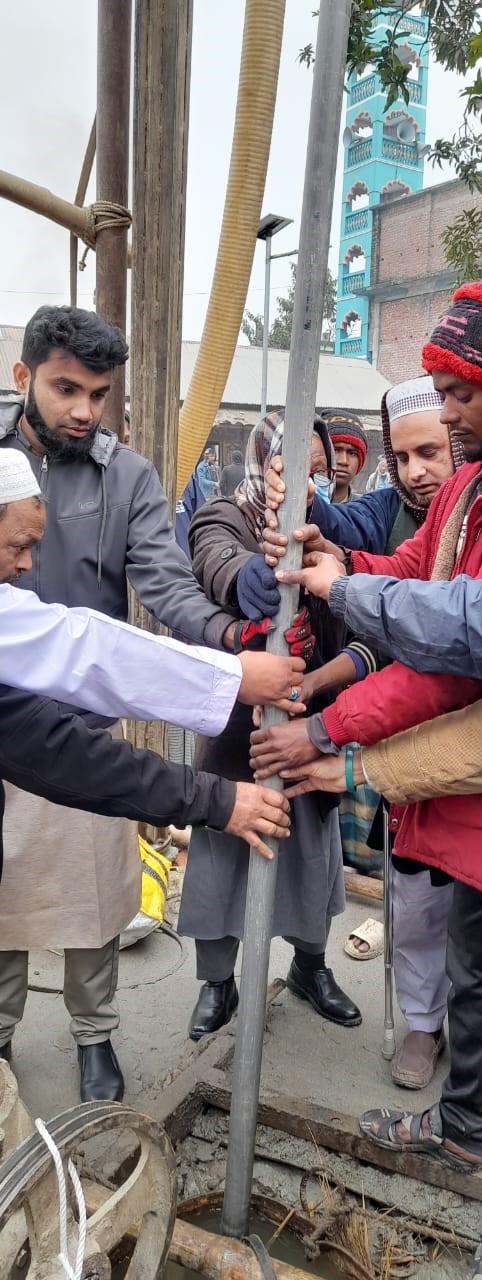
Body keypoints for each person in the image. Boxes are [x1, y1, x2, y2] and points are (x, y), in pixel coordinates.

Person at [251, 246, 482, 1280]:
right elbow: (413, 566)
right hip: (471, 798)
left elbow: (458, 661)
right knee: (474, 985)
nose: (443, 410)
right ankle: (461, 1127)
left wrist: (330, 727)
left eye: (456, 391)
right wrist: (338, 565)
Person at [0, 304, 289, 1105]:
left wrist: (231, 630)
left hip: (84, 713)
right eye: (66, 388)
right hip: (14, 702)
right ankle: (1, 1034)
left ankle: (94, 1034)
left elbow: (163, 589)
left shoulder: (122, 474)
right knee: (4, 897)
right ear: (24, 377)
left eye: (99, 393)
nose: (84, 410)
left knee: (93, 893)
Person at [270, 377, 463, 1090]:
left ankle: (473, 1037)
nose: (418, 469)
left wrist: (325, 716)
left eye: (432, 452)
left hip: (477, 727)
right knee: (412, 886)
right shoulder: (384, 515)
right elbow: (355, 560)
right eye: (404, 455)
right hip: (397, 719)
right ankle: (421, 1023)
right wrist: (301, 498)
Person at [180, 412, 361, 1042]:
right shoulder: (225, 516)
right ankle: (217, 982)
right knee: (222, 858)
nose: (303, 481)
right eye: (289, 467)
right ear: (264, 463)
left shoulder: (327, 532)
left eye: (314, 468)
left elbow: (353, 614)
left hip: (311, 726)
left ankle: (310, 967)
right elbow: (214, 560)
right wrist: (247, 577)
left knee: (312, 855)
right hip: (238, 736)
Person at [322, 410, 368, 503]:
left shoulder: (366, 512)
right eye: (335, 450)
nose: (343, 461)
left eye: (352, 453)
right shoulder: (295, 505)